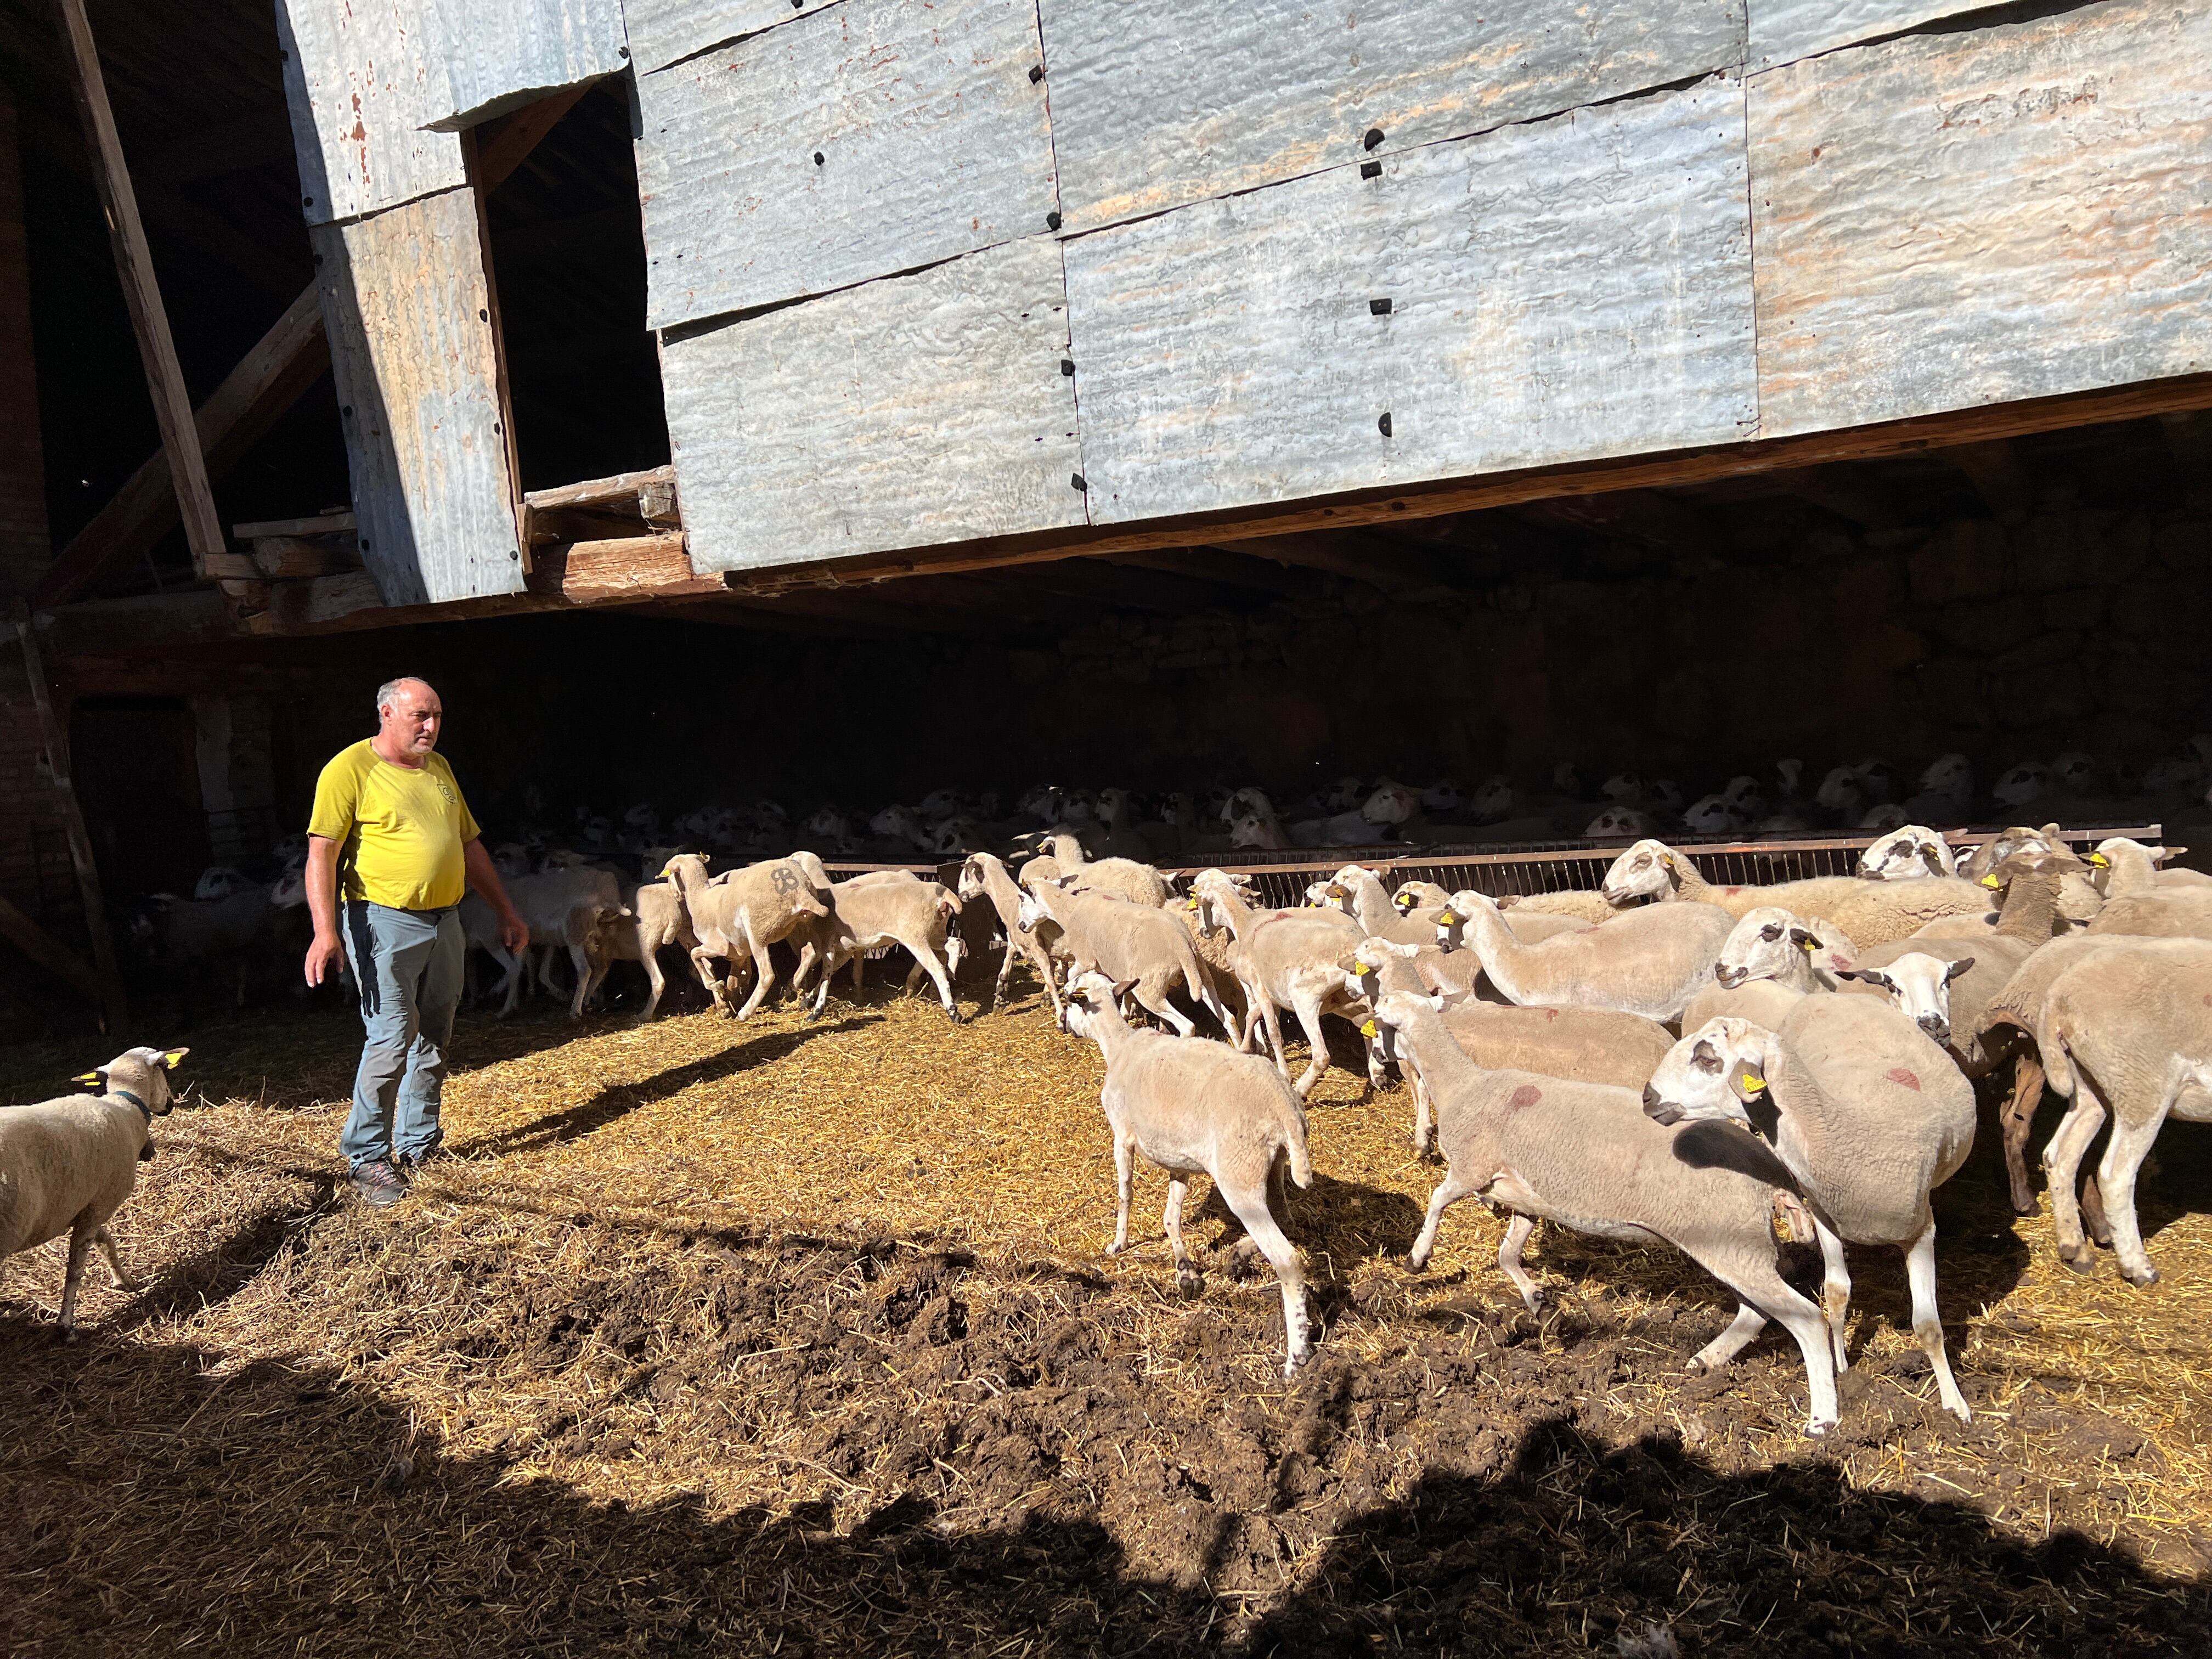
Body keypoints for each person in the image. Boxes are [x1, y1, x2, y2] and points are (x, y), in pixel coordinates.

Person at [302, 677, 528, 1207]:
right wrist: (325, 930)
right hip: (383, 921)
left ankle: (419, 1142)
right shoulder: (349, 769)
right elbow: (322, 853)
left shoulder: (440, 770)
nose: (430, 727)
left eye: (437, 717)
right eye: (419, 717)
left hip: (444, 919)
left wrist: (505, 910)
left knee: (434, 1034)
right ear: (386, 713)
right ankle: (366, 1154)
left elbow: (468, 844)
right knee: (391, 1036)